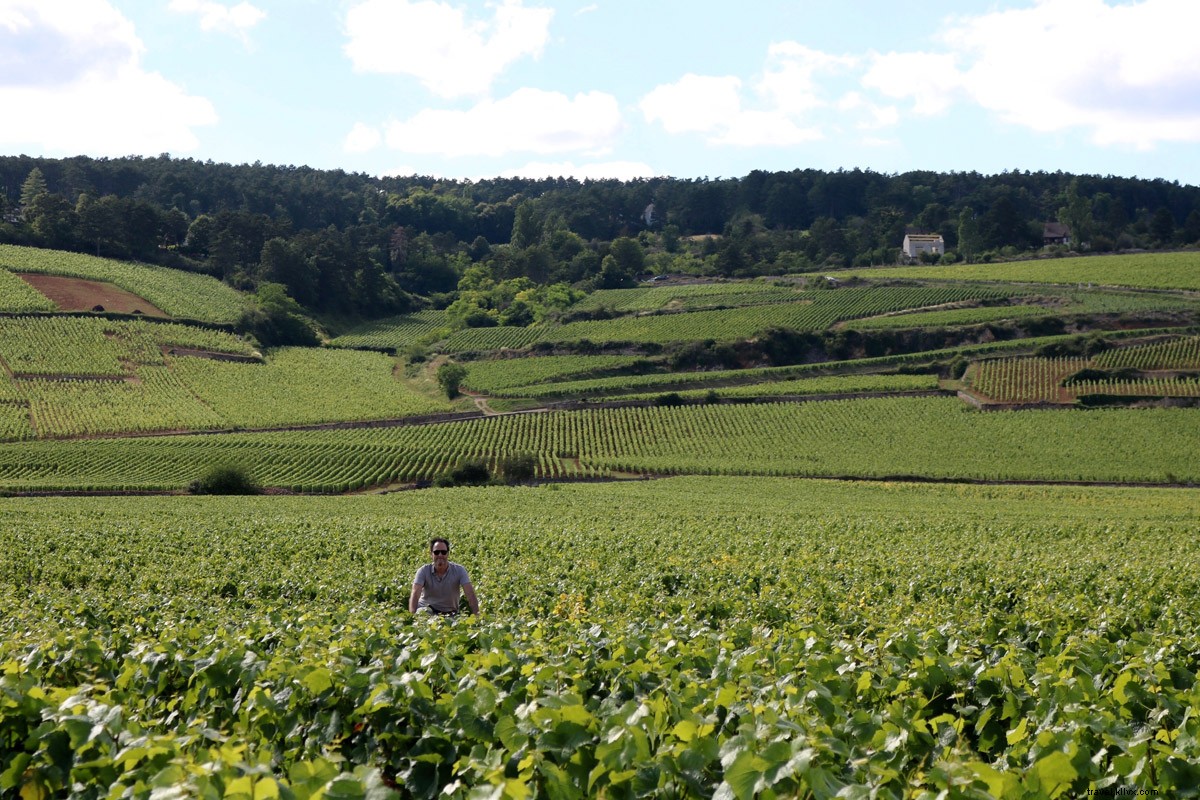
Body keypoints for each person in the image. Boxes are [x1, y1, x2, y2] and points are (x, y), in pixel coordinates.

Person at [409, 537, 480, 616]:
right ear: (431, 554)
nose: (440, 555)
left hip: (450, 613)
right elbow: (415, 593)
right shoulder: (423, 571)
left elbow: (470, 593)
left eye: (443, 552)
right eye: (436, 552)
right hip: (427, 610)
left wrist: (477, 615)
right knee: (421, 615)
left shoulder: (459, 570)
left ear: (448, 553)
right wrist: (412, 615)